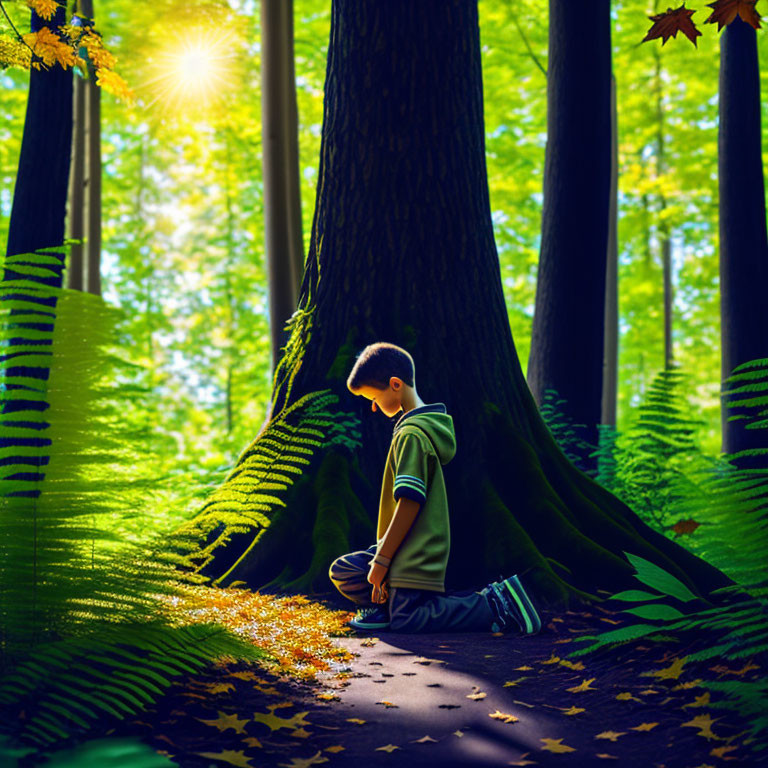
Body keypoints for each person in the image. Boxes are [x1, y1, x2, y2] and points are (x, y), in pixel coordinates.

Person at [328, 342, 542, 635]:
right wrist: (380, 557)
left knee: (409, 619)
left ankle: (494, 603)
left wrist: (382, 561)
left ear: (395, 385)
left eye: (374, 397)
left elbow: (410, 503)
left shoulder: (412, 435)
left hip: (414, 553)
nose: (373, 406)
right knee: (344, 570)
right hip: (398, 548)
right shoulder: (412, 429)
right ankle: (386, 604)